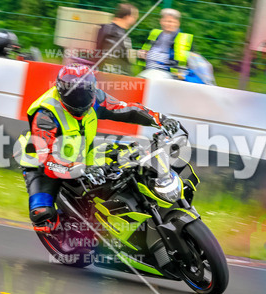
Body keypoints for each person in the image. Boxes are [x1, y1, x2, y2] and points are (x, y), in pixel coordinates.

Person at [16, 64, 182, 232]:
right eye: (74, 97)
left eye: (85, 95)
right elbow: (47, 159)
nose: (80, 102)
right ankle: (69, 234)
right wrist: (80, 170)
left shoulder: (96, 98)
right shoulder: (46, 115)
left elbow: (125, 109)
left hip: (82, 152)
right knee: (42, 214)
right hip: (42, 165)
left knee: (127, 164)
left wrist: (159, 119)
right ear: (61, 92)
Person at [138, 8, 193, 76]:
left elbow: (191, 62)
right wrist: (142, 54)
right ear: (160, 21)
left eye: (171, 21)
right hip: (147, 70)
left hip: (170, 75)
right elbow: (143, 52)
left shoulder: (184, 39)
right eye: (165, 21)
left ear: (178, 23)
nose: (168, 24)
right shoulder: (154, 33)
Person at [92, 3, 138, 74]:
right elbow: (116, 58)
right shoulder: (120, 35)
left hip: (100, 70)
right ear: (127, 17)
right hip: (116, 75)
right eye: (134, 17)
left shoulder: (104, 28)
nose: (135, 21)